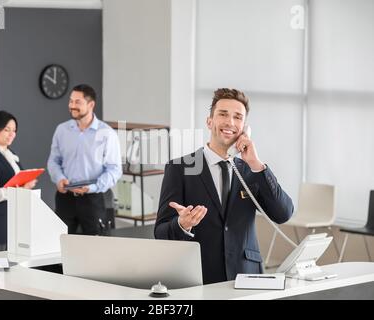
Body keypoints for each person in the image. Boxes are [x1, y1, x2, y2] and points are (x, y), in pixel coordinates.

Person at [155, 88, 294, 284]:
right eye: (223, 114)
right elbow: (160, 233)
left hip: (246, 275)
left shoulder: (251, 170)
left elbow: (283, 213)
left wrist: (256, 164)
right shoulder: (180, 169)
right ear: (209, 121)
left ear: (244, 127)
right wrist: (182, 224)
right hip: (200, 276)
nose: (230, 122)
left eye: (238, 117)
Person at [47, 84, 122, 235]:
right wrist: (59, 178)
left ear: (91, 104)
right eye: (71, 101)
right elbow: (53, 161)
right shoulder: (62, 130)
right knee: (59, 246)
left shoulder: (106, 133)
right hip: (64, 199)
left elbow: (114, 170)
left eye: (77, 102)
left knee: (95, 248)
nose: (72, 106)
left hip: (92, 200)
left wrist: (92, 187)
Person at [0, 111, 37, 253]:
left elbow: (16, 181)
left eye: (14, 130)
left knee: (12, 271)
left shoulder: (12, 155)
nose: (12, 134)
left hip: (15, 222)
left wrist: (27, 183)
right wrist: (21, 189)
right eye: (7, 130)